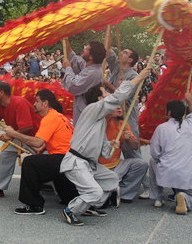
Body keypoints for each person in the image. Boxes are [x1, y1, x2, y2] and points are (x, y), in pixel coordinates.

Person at [59, 66, 151, 226]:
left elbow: (103, 152)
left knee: (111, 180)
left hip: (89, 163)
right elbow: (117, 97)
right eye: (105, 94)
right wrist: (138, 78)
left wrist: (111, 145)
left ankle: (88, 204)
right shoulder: (92, 110)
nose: (108, 95)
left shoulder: (100, 120)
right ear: (100, 99)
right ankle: (71, 210)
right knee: (95, 192)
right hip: (76, 163)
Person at [4, 89, 76, 215]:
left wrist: (13, 134)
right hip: (70, 157)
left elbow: (37, 142)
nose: (34, 104)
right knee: (44, 161)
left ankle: (34, 205)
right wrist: (42, 149)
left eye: (37, 101)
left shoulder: (50, 117)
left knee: (29, 163)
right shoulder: (60, 116)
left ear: (45, 103)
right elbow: (51, 142)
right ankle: (70, 199)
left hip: (64, 158)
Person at [148, 92, 192, 215]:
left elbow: (154, 152)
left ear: (169, 113)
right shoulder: (190, 125)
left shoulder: (161, 128)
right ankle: (183, 197)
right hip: (185, 174)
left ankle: (158, 198)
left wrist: (162, 161)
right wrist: (190, 101)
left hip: (166, 171)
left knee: (152, 161)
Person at [98, 105, 148, 204]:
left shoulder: (123, 124)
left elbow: (135, 147)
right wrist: (109, 114)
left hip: (117, 165)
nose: (119, 108)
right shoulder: (104, 121)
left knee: (141, 164)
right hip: (101, 167)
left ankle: (123, 194)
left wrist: (129, 138)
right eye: (115, 106)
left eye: (120, 106)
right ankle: (109, 192)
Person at [61, 38, 107, 124]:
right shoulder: (90, 67)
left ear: (91, 56)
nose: (84, 50)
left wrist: (68, 68)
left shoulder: (93, 73)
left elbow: (73, 86)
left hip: (85, 118)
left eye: (86, 49)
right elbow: (73, 58)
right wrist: (66, 40)